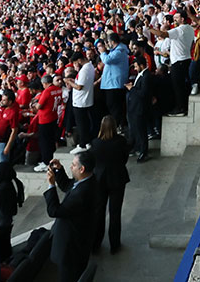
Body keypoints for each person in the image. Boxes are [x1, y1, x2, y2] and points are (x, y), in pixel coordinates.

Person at [43, 153, 97, 282]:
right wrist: (59, 170)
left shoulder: (82, 193)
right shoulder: (87, 179)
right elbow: (68, 186)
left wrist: (51, 185)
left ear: (82, 169)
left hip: (71, 248)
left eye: (73, 165)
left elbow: (54, 210)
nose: (71, 167)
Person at [90, 116, 130, 254]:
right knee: (115, 212)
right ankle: (115, 244)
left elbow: (93, 161)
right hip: (118, 179)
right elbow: (124, 158)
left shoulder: (96, 143)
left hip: (100, 180)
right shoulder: (121, 141)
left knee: (99, 212)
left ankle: (96, 243)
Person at [147, 12, 195, 116]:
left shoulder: (179, 30)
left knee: (177, 86)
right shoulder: (190, 29)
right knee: (182, 85)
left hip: (178, 62)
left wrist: (149, 28)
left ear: (182, 19)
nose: (174, 19)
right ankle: (183, 107)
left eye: (176, 17)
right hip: (186, 59)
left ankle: (180, 108)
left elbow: (162, 34)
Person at [65, 53, 96, 152]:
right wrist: (73, 81)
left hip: (80, 101)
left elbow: (79, 87)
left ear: (79, 60)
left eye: (75, 62)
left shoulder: (84, 70)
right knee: (85, 122)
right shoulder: (90, 67)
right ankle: (87, 142)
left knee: (81, 124)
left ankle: (82, 144)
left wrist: (69, 82)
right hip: (86, 99)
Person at [125, 54, 152, 162]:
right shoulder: (141, 75)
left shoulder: (146, 76)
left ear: (141, 65)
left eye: (136, 66)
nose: (135, 69)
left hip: (140, 108)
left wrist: (132, 89)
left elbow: (143, 93)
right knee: (136, 130)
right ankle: (138, 148)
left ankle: (143, 152)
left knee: (141, 131)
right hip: (135, 107)